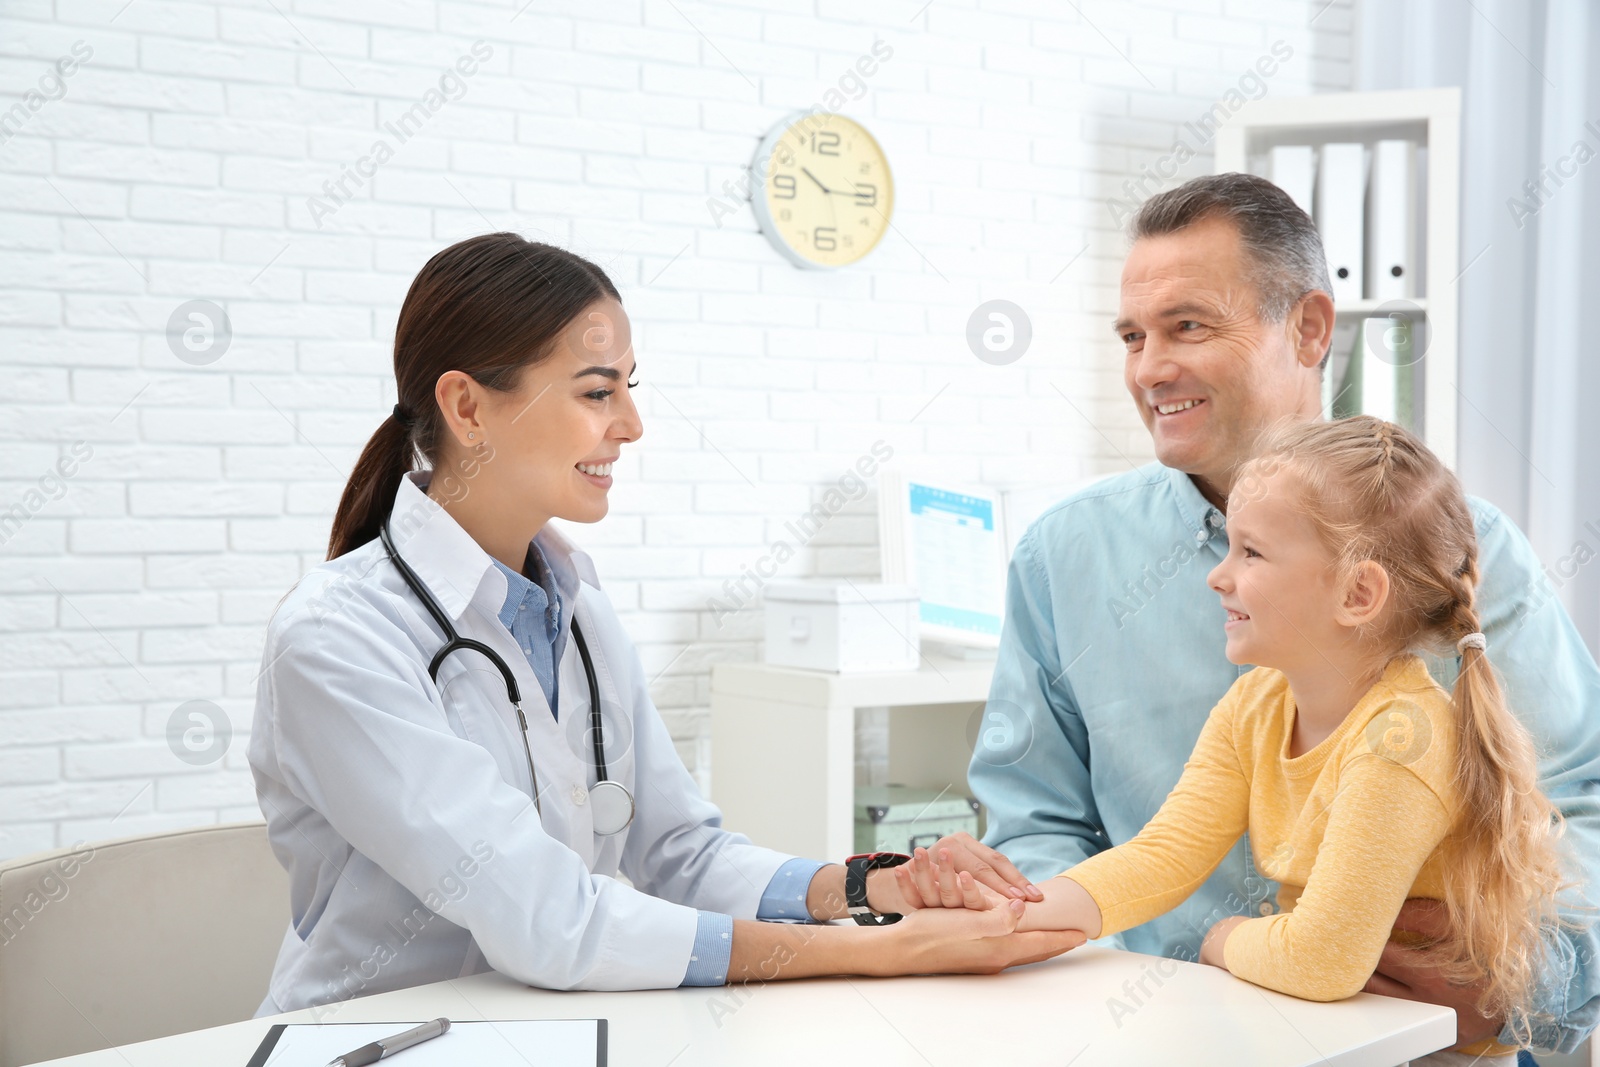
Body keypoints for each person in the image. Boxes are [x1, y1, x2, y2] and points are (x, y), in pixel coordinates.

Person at [247, 233, 1080, 1016]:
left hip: (556, 1029)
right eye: (597, 391)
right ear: (468, 407)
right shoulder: (337, 638)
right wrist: (878, 952)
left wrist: (871, 888)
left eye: (627, 389)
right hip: (376, 1041)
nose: (631, 426)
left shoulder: (578, 605)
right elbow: (553, 922)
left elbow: (682, 853)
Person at [950, 173, 1600, 1056]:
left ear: (1308, 328)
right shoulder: (1062, 558)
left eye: (1187, 326)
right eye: (1133, 336)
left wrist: (1529, 977)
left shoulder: (1469, 552)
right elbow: (1041, 826)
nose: (1149, 369)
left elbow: (1579, 801)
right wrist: (1134, 964)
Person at [922, 416, 1570, 1064]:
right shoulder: (1256, 703)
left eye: (1251, 553)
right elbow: (1161, 857)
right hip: (1323, 1030)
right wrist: (1013, 911)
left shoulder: (1401, 738)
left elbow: (1322, 960)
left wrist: (1221, 937)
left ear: (1358, 592)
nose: (1217, 575)